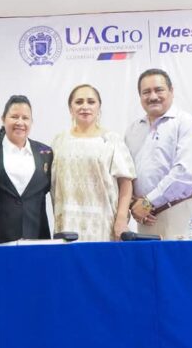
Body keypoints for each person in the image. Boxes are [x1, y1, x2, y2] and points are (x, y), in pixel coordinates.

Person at [125, 69, 192, 239]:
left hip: (179, 213)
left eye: (159, 90)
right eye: (146, 92)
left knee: (183, 265)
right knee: (148, 266)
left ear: (171, 91)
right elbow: (127, 174)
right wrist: (134, 204)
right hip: (146, 219)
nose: (153, 96)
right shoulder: (133, 130)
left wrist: (148, 202)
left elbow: (185, 174)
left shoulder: (185, 123)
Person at [51, 84, 135, 241]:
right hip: (67, 225)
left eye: (91, 102)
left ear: (99, 107)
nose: (85, 106)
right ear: (70, 108)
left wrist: (122, 219)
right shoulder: (59, 141)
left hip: (103, 224)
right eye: (79, 102)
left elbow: (126, 183)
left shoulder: (111, 140)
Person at [0, 95, 53, 244]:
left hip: (36, 241)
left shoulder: (45, 153)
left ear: (32, 122)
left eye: (25, 118)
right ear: (3, 119)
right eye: (14, 116)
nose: (20, 122)